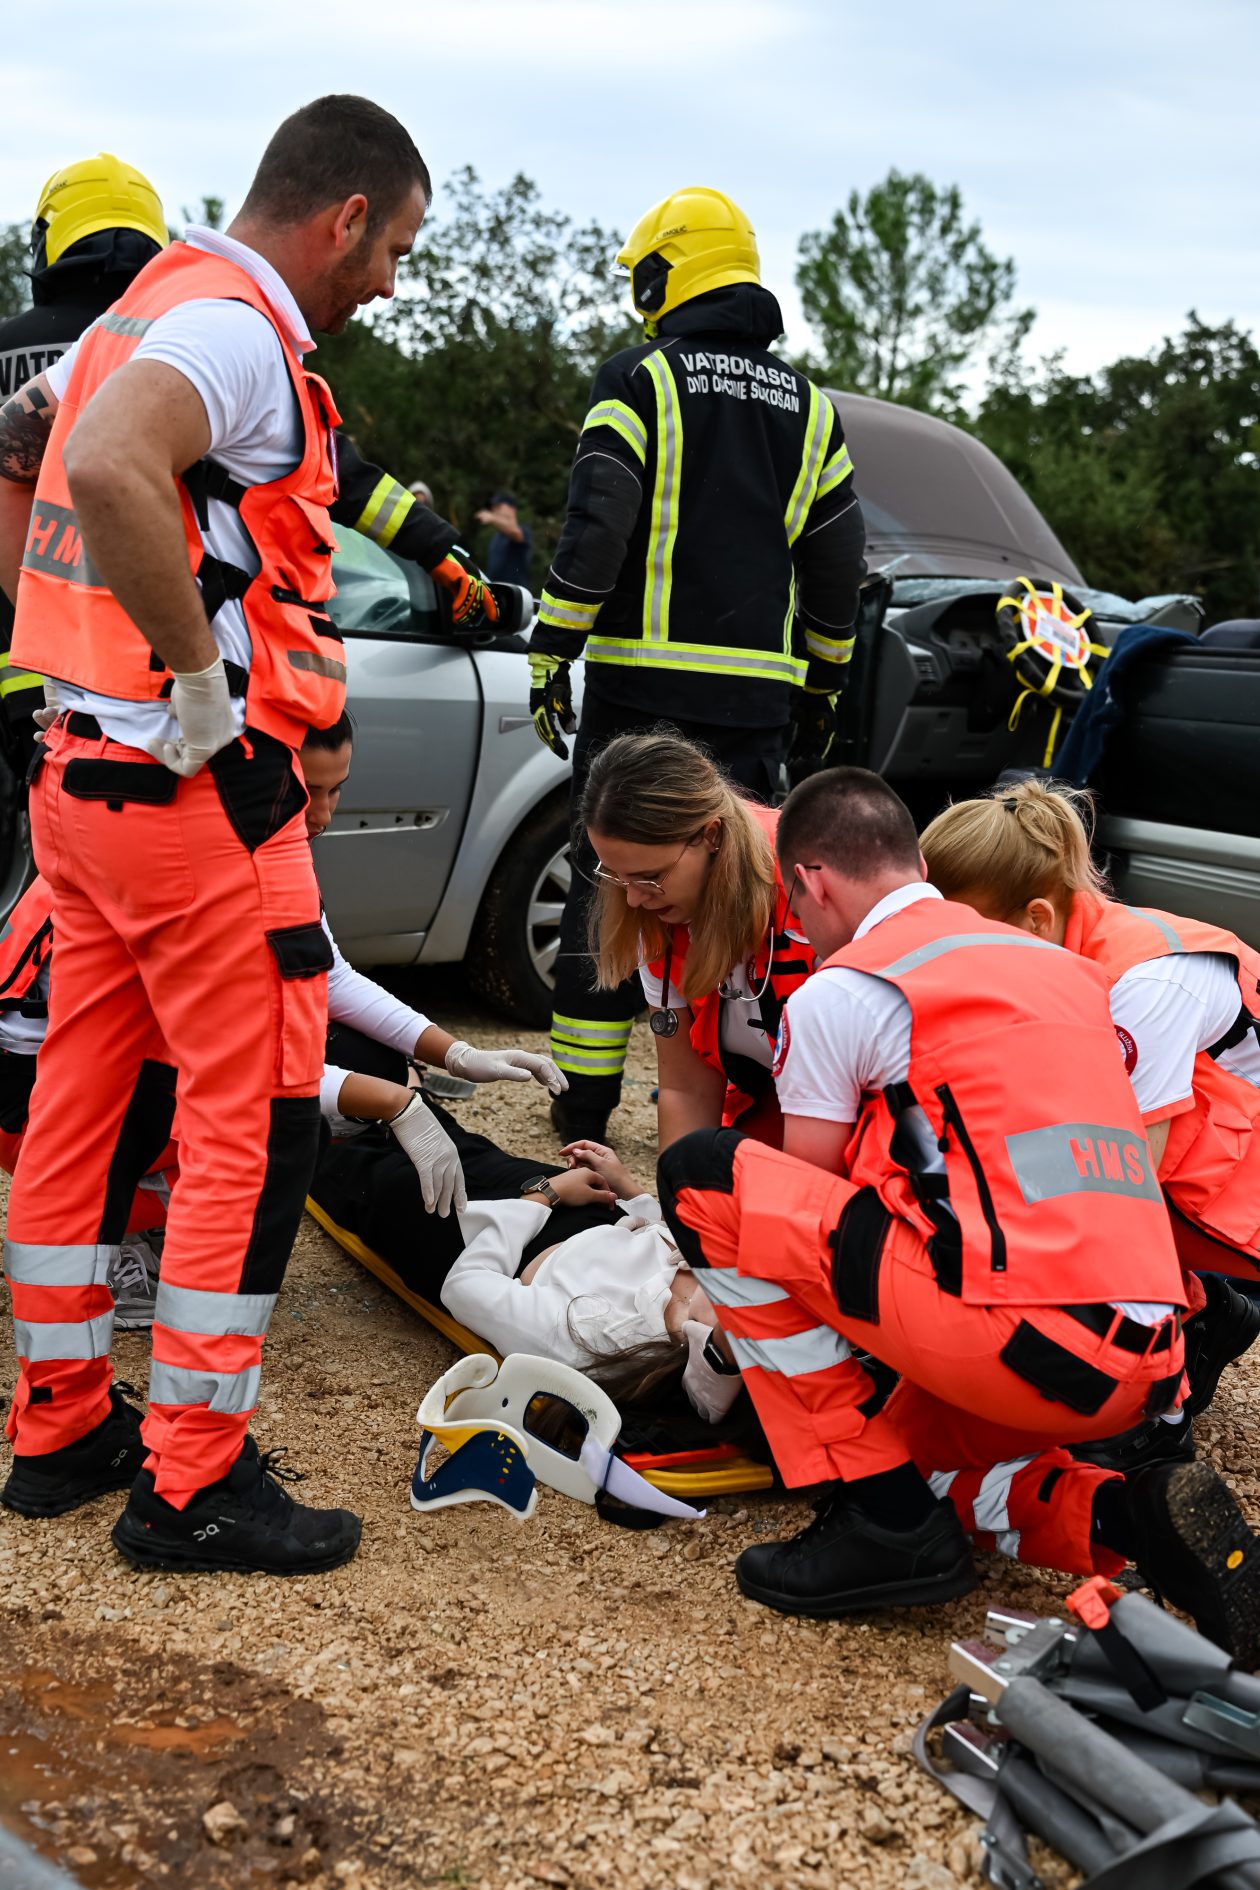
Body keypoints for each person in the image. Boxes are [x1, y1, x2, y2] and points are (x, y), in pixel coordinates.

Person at [0, 94, 431, 1576]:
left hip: (79, 780)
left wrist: (82, 660)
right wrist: (192, 683)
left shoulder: (138, 308)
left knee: (81, 1105)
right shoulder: (239, 332)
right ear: (345, 217)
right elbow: (117, 464)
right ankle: (193, 1479)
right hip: (194, 796)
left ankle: (61, 1424)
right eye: (395, 249)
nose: (390, 284)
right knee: (254, 1120)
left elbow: (24, 447)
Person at [654, 767, 1260, 1663]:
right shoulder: (1069, 971)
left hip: (1022, 1340)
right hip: (1144, 1350)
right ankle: (1125, 1516)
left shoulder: (841, 992)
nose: (800, 930)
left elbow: (794, 1222)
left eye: (798, 905)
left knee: (704, 1174)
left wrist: (731, 1352)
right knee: (920, 1458)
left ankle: (876, 1514)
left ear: (812, 882)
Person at [527, 186, 866, 1143]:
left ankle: (583, 1103)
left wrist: (553, 644)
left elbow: (599, 524)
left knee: (611, 886)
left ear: (663, 275)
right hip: (756, 701)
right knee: (740, 903)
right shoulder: (810, 408)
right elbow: (838, 562)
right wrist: (824, 681)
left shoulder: (640, 379)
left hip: (640, 691)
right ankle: (738, 1104)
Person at [920, 779, 1260, 1452]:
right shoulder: (1066, 946)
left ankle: (1157, 1411)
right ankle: (1210, 1312)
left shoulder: (1142, 985)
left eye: (963, 937)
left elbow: (1126, 1196)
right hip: (1221, 1150)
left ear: (1037, 918)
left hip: (1230, 1171)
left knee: (1088, 1170)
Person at [0, 153, 167, 769]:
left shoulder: (3, 344)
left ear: (50, 240)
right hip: (130, 658)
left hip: (17, 638)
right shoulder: (175, 346)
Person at [582, 731, 814, 1151]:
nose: (633, 899)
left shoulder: (812, 886)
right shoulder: (652, 908)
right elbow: (685, 1089)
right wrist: (679, 1189)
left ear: (710, 835)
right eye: (616, 876)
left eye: (650, 877)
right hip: (770, 1098)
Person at [440, 1139, 742, 1425]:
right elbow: (659, 1234)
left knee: (432, 1135)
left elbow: (465, 1285)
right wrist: (630, 1192)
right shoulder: (713, 1274)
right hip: (573, 1196)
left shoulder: (593, 1333)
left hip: (493, 1215)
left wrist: (547, 1193)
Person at [476, 490, 532, 588]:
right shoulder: (496, 537)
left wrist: (493, 518)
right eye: (493, 507)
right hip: (495, 591)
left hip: (514, 593)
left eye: (498, 506)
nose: (494, 510)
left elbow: (515, 532)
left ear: (512, 509)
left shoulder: (524, 530)